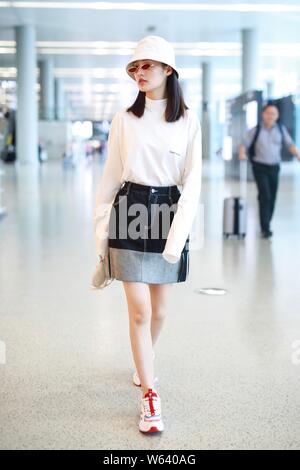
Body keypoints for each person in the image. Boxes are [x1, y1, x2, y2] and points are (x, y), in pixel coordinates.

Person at [93, 35, 202, 433]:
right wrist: (100, 230)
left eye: (147, 66)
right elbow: (110, 176)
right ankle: (150, 396)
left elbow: (194, 182)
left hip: (168, 212)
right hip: (129, 208)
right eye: (135, 68)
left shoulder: (188, 120)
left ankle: (144, 362)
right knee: (139, 310)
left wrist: (178, 236)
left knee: (161, 311)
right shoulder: (124, 118)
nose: (139, 73)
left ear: (168, 71)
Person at [239, 103, 300, 238]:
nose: (271, 116)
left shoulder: (280, 129)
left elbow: (289, 144)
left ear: (277, 116)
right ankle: (265, 227)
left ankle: (266, 222)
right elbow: (244, 143)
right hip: (259, 166)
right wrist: (242, 153)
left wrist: (297, 155)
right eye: (268, 113)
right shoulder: (256, 130)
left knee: (272, 196)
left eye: (274, 114)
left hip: (274, 167)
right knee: (265, 195)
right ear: (263, 114)